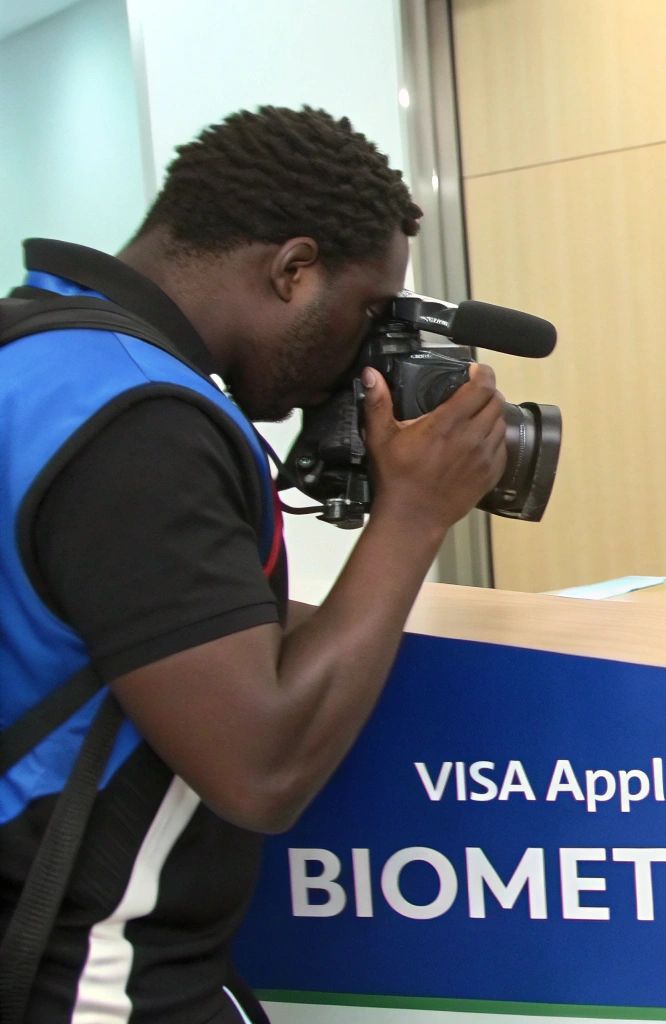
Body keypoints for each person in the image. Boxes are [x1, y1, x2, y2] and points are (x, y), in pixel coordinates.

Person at [0, 107, 507, 1021]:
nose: (360, 355)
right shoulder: (143, 423)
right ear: (293, 270)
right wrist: (415, 516)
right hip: (89, 981)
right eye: (363, 312)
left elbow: (86, 632)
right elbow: (260, 769)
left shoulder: (37, 359)